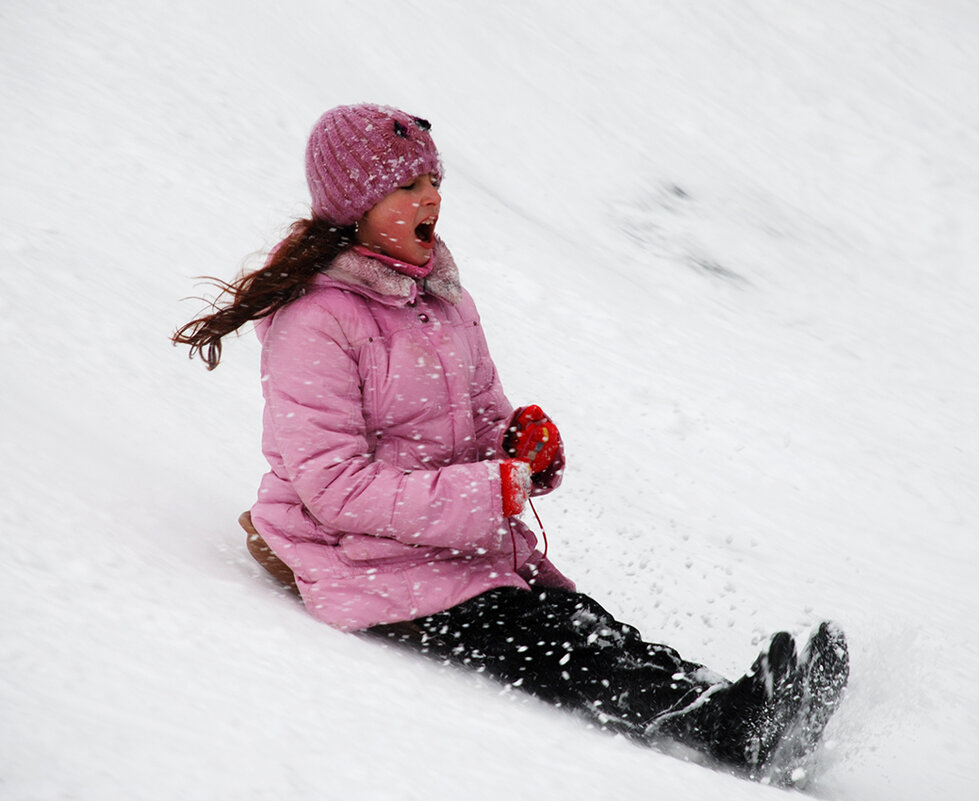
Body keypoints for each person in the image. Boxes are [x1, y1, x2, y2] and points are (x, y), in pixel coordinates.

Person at [173, 103, 847, 784]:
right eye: (406, 188)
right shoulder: (315, 322)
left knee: (585, 624)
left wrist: (520, 442)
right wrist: (487, 489)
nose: (430, 197)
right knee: (553, 645)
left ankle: (735, 705)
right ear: (356, 207)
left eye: (431, 181)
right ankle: (721, 732)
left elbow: (482, 410)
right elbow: (335, 487)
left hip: (451, 545)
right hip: (363, 559)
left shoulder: (440, 297)